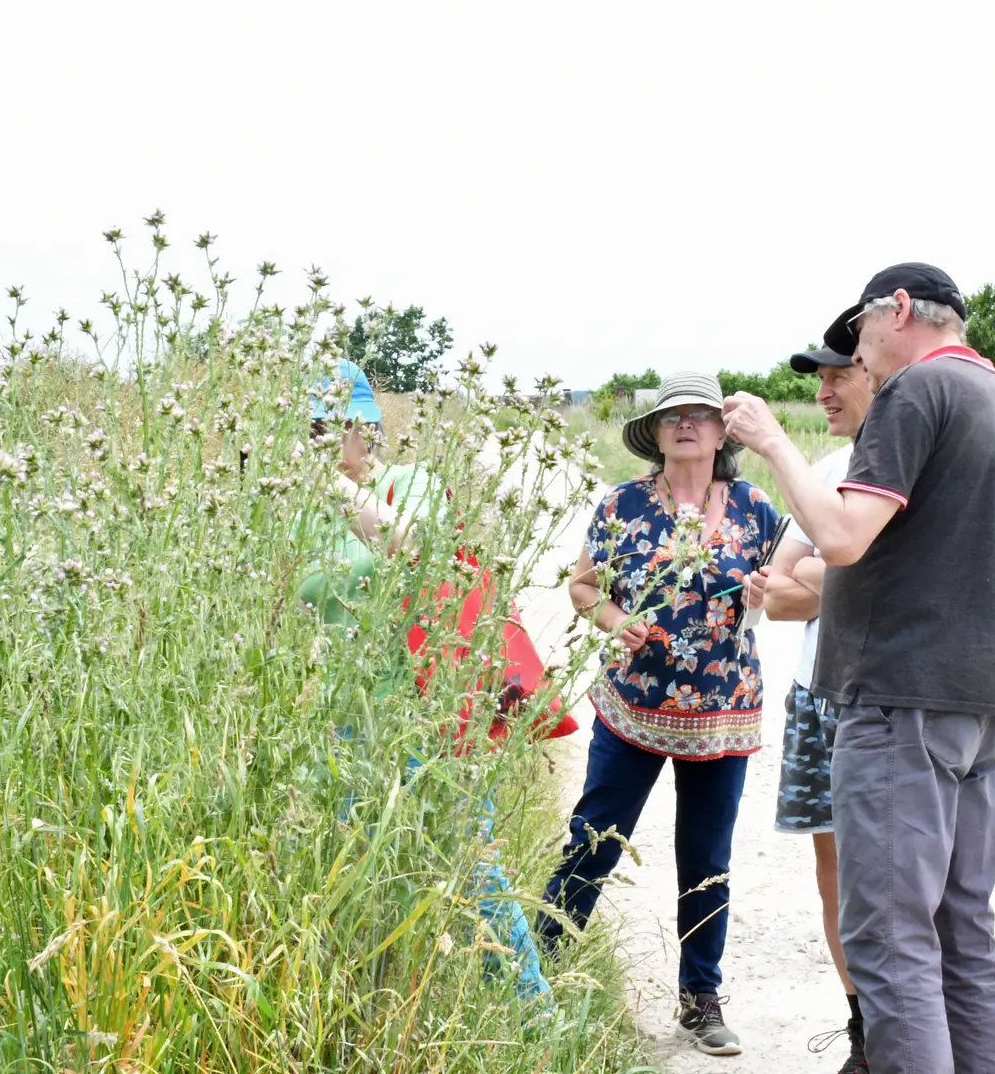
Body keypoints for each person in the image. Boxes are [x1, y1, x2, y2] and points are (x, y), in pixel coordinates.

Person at [722, 263, 995, 1074]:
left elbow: (842, 538)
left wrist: (774, 443)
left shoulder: (917, 392)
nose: (863, 360)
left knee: (890, 943)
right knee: (963, 940)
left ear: (901, 311)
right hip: (985, 707)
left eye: (865, 338)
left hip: (896, 703)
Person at [296, 358, 563, 1021]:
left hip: (430, 711)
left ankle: (537, 1016)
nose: (322, 438)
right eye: (309, 427)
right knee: (357, 865)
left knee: (471, 864)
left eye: (335, 425)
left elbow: (405, 545)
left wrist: (329, 485)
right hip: (343, 717)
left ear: (369, 426)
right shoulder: (298, 511)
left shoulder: (411, 483)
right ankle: (385, 1007)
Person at [538, 372, 779, 1058]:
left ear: (722, 432)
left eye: (702, 414)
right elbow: (584, 587)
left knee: (707, 858)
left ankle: (700, 1000)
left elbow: (791, 590)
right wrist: (618, 622)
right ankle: (541, 970)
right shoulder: (622, 506)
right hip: (633, 708)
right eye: (675, 415)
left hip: (722, 713)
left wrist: (771, 587)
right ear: (657, 430)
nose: (687, 424)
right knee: (595, 838)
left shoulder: (756, 508)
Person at [761, 345, 872, 1074]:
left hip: (880, 696)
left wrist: (817, 567)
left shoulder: (904, 466)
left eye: (839, 375)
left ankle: (911, 1029)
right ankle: (864, 1027)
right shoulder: (826, 472)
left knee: (897, 879)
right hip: (814, 690)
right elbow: (773, 594)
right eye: (819, 380)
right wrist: (830, 571)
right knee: (832, 875)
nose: (825, 392)